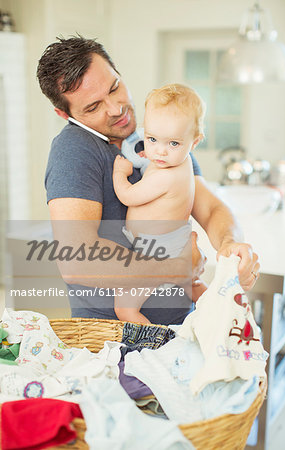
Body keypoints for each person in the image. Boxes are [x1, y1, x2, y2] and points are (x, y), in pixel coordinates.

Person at [37, 36, 260, 325]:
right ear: (64, 114)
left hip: (180, 324)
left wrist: (230, 245)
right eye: (93, 107)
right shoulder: (75, 149)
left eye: (115, 88)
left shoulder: (160, 140)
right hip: (115, 340)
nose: (116, 109)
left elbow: (212, 208)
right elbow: (76, 260)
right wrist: (174, 268)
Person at [112, 83, 208, 323]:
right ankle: (212, 305)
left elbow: (128, 196)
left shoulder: (166, 176)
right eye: (152, 139)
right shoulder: (180, 163)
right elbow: (158, 159)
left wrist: (119, 174)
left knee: (124, 309)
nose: (160, 152)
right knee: (190, 284)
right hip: (173, 241)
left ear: (195, 142)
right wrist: (152, 156)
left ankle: (156, 341)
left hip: (156, 251)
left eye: (173, 143)